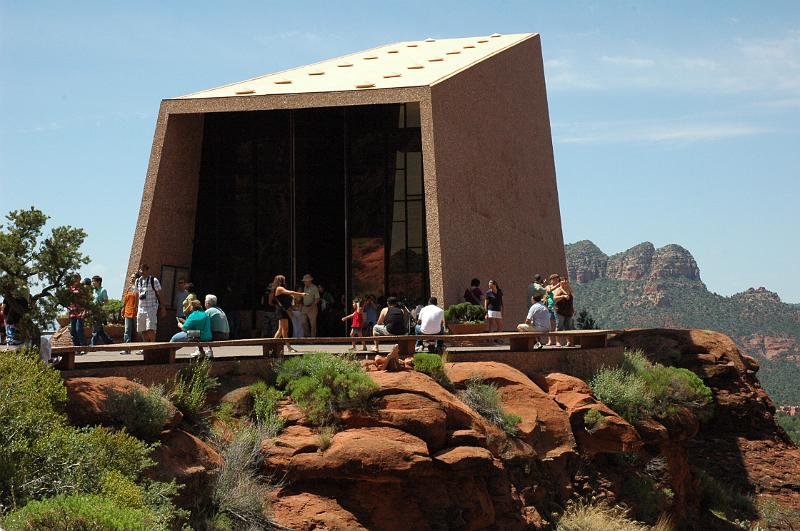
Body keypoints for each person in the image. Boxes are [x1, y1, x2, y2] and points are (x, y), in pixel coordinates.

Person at [271, 274, 305, 353]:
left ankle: (272, 346)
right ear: (280, 281)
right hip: (281, 311)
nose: (284, 281)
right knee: (285, 330)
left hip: (283, 310)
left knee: (280, 330)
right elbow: (290, 292)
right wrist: (301, 294)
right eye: (283, 280)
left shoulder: (280, 288)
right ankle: (289, 347)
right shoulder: (279, 288)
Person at [135, 264, 166, 342]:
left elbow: (160, 293)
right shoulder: (137, 281)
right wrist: (135, 307)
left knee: (150, 328)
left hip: (151, 307)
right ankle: (146, 348)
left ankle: (152, 347)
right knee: (143, 329)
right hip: (141, 308)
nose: (142, 271)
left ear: (147, 271)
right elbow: (136, 294)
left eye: (144, 270)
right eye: (141, 270)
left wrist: (163, 307)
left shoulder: (153, 280)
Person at [90, 275, 113, 345]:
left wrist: (100, 304)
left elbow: (106, 302)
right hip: (93, 311)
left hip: (99, 312)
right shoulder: (93, 290)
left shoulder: (103, 290)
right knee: (100, 330)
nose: (92, 283)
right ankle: (109, 341)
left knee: (95, 328)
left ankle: (93, 344)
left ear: (98, 281)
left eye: (93, 281)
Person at [553, 278, 576, 347]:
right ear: (560, 282)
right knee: (559, 327)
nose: (565, 282)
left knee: (568, 327)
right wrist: (563, 296)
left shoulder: (569, 289)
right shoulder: (558, 290)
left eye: (566, 281)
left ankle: (569, 342)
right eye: (563, 280)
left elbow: (571, 297)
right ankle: (558, 342)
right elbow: (554, 299)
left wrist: (573, 309)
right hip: (560, 311)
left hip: (568, 311)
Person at [67, 274, 87, 351]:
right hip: (72, 312)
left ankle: (83, 347)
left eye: (76, 278)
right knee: (73, 331)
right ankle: (77, 348)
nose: (75, 279)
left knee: (79, 329)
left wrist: (85, 311)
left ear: (79, 278)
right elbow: (68, 300)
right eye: (74, 278)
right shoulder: (70, 288)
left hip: (80, 311)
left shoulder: (82, 288)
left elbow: (86, 300)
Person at [120, 274, 138, 354]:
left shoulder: (139, 288)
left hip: (136, 312)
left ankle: (143, 348)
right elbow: (126, 300)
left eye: (133, 277)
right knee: (127, 330)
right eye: (131, 277)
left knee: (139, 331)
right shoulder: (129, 288)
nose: (132, 279)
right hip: (127, 311)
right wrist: (123, 308)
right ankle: (127, 349)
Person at [544, 274, 560, 346]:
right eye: (554, 279)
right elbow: (549, 291)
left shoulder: (560, 287)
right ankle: (550, 341)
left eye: (557, 278)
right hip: (550, 308)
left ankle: (557, 341)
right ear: (551, 280)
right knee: (550, 325)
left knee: (557, 325)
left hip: (558, 307)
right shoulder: (548, 286)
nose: (556, 280)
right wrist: (557, 286)